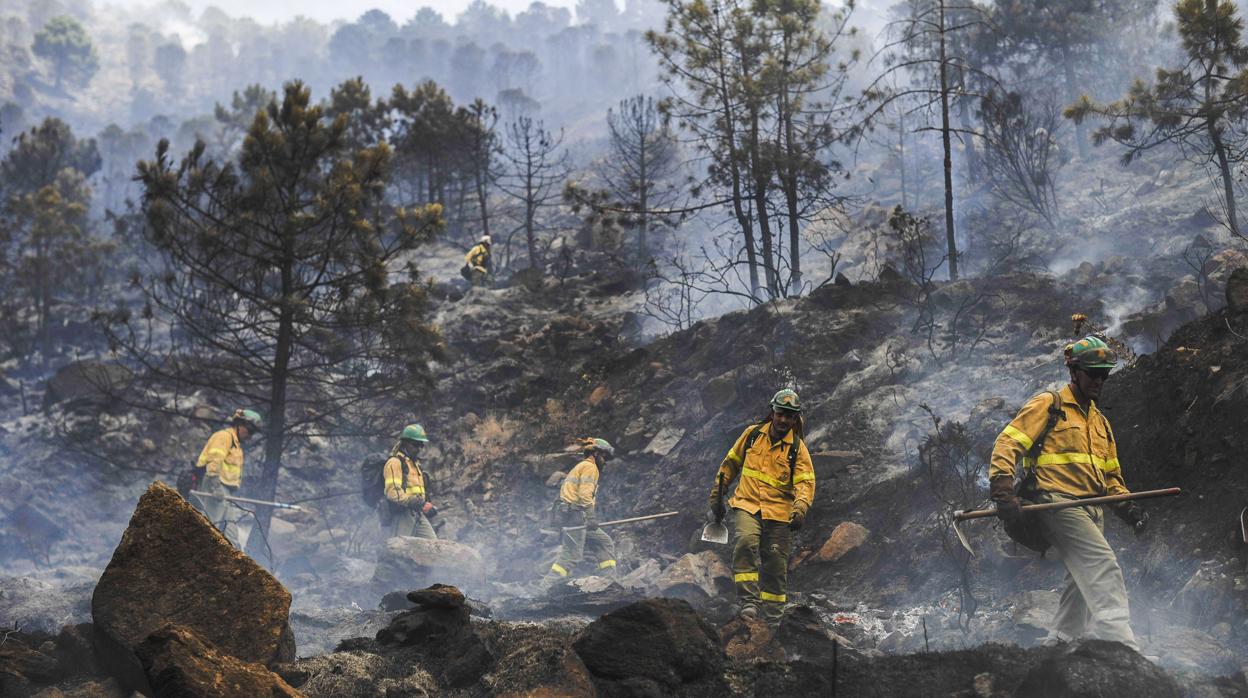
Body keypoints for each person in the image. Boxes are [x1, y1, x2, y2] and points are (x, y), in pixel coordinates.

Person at [989, 335, 1148, 650]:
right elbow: (1008, 443)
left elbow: (1111, 476)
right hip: (1056, 502)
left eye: (1105, 374)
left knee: (1080, 578)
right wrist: (1002, 488)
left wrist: (1128, 509)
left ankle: (1061, 640)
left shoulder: (1100, 422)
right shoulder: (1049, 404)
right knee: (1102, 564)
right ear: (1075, 371)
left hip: (1093, 508)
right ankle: (1120, 642)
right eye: (1094, 373)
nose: (1100, 380)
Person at [709, 389, 815, 621]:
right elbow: (731, 463)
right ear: (772, 412)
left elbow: (805, 482)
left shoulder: (797, 448)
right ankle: (749, 602)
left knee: (776, 564)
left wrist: (800, 507)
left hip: (779, 514)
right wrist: (718, 494)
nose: (784, 419)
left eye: (789, 416)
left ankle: (772, 618)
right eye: (780, 413)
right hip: (747, 504)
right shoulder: (752, 435)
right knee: (746, 543)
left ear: (795, 418)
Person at [545, 438, 618, 581]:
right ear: (595, 453)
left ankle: (609, 581)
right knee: (571, 554)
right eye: (604, 457)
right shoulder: (590, 467)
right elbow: (584, 494)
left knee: (603, 542)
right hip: (574, 516)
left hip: (577, 516)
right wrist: (591, 517)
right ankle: (544, 587)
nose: (605, 462)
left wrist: (588, 517)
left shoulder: (582, 466)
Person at [192, 409, 262, 549]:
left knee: (231, 534)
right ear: (240, 424)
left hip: (226, 492)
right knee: (211, 527)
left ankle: (236, 562)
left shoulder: (236, 444)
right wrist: (215, 486)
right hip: (215, 486)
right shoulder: (224, 437)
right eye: (250, 430)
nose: (250, 435)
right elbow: (214, 461)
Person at [383, 424, 438, 539]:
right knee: (400, 551)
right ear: (405, 443)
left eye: (421, 445)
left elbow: (419, 493)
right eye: (415, 444)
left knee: (433, 545)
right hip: (402, 514)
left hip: (418, 513)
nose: (419, 448)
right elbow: (392, 493)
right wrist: (413, 502)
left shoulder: (415, 465)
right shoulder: (394, 462)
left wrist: (426, 506)